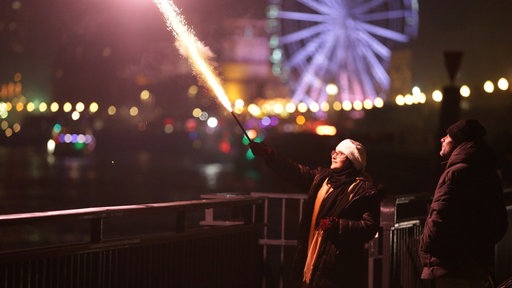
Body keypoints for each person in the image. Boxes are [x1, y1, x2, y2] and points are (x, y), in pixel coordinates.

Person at [250, 138, 383, 288]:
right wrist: (269, 154)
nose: (334, 155)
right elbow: (294, 171)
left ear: (353, 160)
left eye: (341, 154)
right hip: (311, 255)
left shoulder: (364, 190)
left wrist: (338, 225)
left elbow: (370, 227)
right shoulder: (323, 179)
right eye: (334, 152)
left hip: (337, 265)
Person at [419, 119, 509, 288]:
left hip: (449, 269)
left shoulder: (455, 173)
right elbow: (500, 224)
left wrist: (426, 247)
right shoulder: (488, 173)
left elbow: (439, 217)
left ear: (460, 141)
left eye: (448, 135)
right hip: (477, 268)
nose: (442, 139)